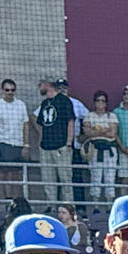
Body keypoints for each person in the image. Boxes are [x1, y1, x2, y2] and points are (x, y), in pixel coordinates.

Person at [32, 79, 76, 207]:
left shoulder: (64, 101)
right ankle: (51, 206)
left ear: (48, 85)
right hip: (46, 147)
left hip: (60, 146)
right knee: (48, 180)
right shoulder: (45, 102)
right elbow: (40, 122)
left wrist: (68, 142)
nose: (39, 88)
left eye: (40, 85)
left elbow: (70, 121)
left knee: (65, 179)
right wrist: (40, 140)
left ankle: (68, 207)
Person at [79, 91, 119, 204]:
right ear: (94, 102)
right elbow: (87, 132)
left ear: (106, 103)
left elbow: (112, 134)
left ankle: (109, 205)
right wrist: (104, 130)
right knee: (95, 177)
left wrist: (95, 130)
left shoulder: (112, 116)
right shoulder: (89, 116)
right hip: (95, 149)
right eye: (98, 100)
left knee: (110, 177)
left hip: (109, 150)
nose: (100, 103)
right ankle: (96, 205)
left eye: (103, 101)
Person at [0, 79, 30, 170]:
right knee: (7, 173)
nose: (10, 92)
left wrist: (26, 145)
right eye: (7, 90)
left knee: (21, 173)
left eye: (12, 90)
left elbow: (26, 125)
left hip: (19, 145)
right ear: (2, 90)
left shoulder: (21, 105)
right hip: (4, 144)